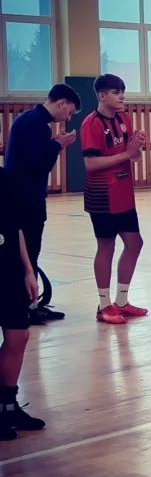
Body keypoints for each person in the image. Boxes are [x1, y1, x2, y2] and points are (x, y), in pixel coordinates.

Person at [4, 84, 80, 325]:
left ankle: (30, 304)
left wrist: (54, 144)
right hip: (24, 199)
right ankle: (26, 306)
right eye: (69, 111)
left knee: (31, 252)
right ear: (61, 103)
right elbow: (37, 164)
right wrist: (58, 145)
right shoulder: (33, 124)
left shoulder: (33, 121)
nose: (68, 117)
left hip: (28, 196)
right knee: (27, 253)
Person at [80, 74, 148, 324]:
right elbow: (90, 163)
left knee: (135, 243)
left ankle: (121, 301)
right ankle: (104, 305)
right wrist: (126, 154)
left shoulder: (124, 119)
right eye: (116, 92)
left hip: (124, 194)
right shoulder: (91, 124)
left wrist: (137, 148)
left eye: (123, 92)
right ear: (102, 95)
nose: (122, 97)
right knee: (106, 246)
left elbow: (134, 157)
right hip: (102, 195)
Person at [0, 166, 45, 441]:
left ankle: (7, 405)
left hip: (8, 269)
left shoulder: (4, 180)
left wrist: (28, 270)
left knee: (19, 336)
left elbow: (15, 229)